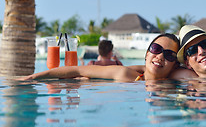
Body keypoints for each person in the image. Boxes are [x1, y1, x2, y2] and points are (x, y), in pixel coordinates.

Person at [21, 33, 180, 82]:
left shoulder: (179, 78)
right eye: (156, 49)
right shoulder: (124, 74)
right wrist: (33, 77)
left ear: (176, 64)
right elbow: (77, 68)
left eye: (169, 55)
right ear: (147, 53)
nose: (160, 56)